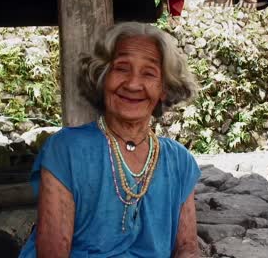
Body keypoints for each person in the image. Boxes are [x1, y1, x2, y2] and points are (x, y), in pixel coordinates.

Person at [19, 21, 201, 258]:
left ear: (163, 89)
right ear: (103, 77)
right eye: (122, 68)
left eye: (148, 73)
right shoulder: (66, 150)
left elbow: (187, 248)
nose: (133, 84)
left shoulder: (179, 161)